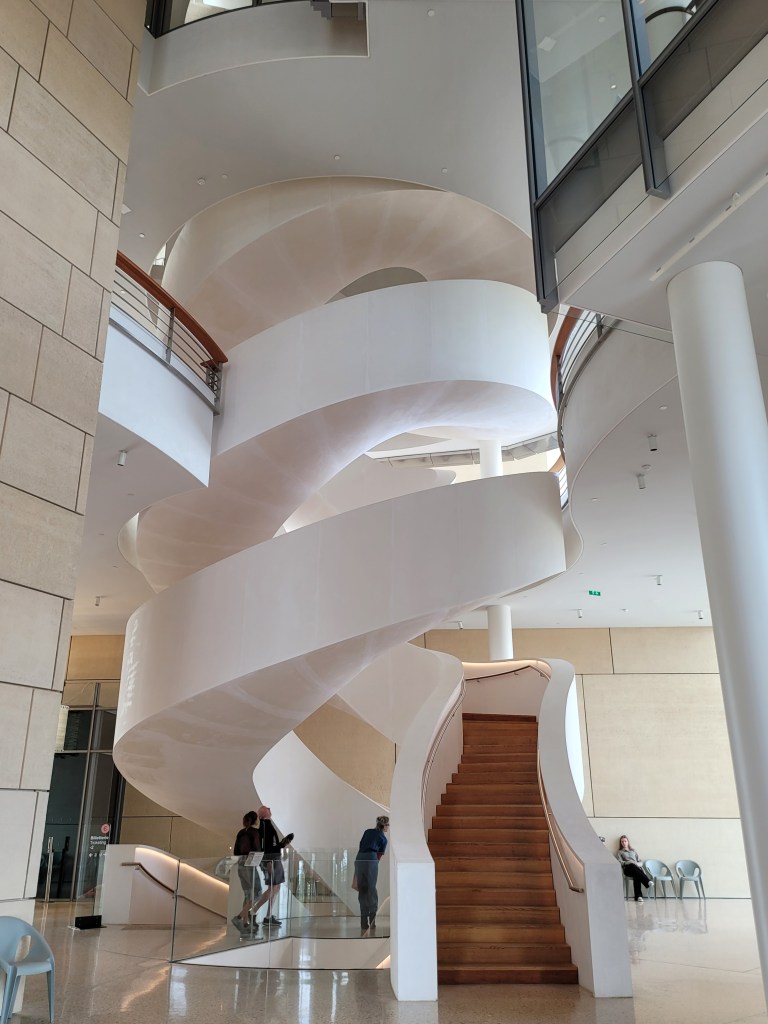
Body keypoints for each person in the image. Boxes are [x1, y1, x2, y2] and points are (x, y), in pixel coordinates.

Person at [250, 805, 294, 928]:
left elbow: (272, 845)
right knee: (273, 888)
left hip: (273, 859)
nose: (269, 809)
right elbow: (266, 847)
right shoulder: (264, 825)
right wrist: (268, 862)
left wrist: (283, 843)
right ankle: (253, 911)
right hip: (271, 860)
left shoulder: (267, 825)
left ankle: (268, 916)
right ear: (264, 813)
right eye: (267, 808)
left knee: (276, 887)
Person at [354, 815, 389, 932]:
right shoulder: (383, 838)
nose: (388, 827)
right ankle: (372, 921)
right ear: (385, 825)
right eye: (388, 825)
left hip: (359, 858)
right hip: (371, 859)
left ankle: (363, 922)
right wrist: (373, 864)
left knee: (362, 890)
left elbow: (360, 846)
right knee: (372, 890)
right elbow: (379, 856)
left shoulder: (367, 831)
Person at [231, 811, 262, 935]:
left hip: (240, 864)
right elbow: (257, 849)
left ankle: (245, 923)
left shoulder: (240, 832)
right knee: (257, 893)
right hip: (250, 864)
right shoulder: (255, 832)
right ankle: (239, 918)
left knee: (247, 894)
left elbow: (235, 851)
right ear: (255, 820)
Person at [617, 834, 651, 902]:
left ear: (628, 842)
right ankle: (647, 881)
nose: (624, 843)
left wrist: (637, 864)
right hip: (627, 869)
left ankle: (638, 897)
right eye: (622, 841)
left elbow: (640, 862)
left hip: (636, 868)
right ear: (621, 843)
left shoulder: (633, 851)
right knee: (632, 865)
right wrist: (629, 862)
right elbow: (620, 862)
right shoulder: (620, 852)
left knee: (636, 874)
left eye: (625, 841)